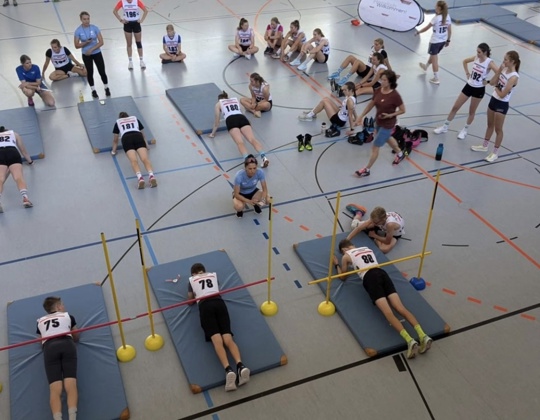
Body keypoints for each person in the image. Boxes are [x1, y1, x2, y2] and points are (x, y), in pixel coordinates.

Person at [334, 240, 432, 359]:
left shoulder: (345, 256)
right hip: (382, 273)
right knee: (400, 308)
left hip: (370, 278)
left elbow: (343, 277)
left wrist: (336, 264)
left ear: (344, 250)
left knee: (388, 313)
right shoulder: (366, 248)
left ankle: (410, 341)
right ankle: (423, 335)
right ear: (352, 245)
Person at [187, 263, 250, 391]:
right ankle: (240, 365)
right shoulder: (213, 275)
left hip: (205, 306)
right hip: (219, 303)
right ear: (204, 270)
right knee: (228, 338)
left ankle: (228, 369)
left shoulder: (191, 280)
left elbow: (190, 301)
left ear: (193, 274)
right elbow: (217, 290)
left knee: (217, 341)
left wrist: (193, 295)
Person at [434, 43, 498, 140]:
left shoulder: (489, 62)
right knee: (455, 107)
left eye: (479, 52)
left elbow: (499, 73)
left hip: (479, 89)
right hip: (469, 86)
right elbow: (464, 61)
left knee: (471, 111)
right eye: (477, 51)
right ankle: (445, 126)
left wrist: (489, 81)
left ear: (485, 52)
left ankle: (465, 130)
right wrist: (467, 73)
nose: (477, 53)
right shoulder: (476, 58)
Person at [350, 70, 406, 177]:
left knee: (375, 147)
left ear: (390, 82)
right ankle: (400, 153)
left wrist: (390, 115)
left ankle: (367, 169)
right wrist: (361, 117)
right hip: (379, 121)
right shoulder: (378, 90)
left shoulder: (395, 95)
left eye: (384, 80)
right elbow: (371, 104)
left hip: (388, 124)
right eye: (381, 79)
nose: (382, 81)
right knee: (388, 138)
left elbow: (403, 110)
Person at [471, 51, 520, 163]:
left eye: (506, 60)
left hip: (502, 104)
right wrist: (498, 71)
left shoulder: (514, 77)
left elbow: (502, 94)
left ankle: (495, 153)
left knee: (498, 129)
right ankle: (484, 146)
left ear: (513, 61)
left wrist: (496, 87)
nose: (504, 61)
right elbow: (492, 82)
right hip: (493, 99)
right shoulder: (503, 70)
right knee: (489, 125)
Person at [36, 296, 79, 420]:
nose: (64, 307)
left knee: (55, 388)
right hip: (66, 344)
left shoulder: (40, 321)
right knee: (70, 383)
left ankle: (57, 418)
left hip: (50, 348)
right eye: (63, 304)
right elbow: (76, 336)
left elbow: (40, 341)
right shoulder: (67, 316)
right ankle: (72, 417)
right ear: (59, 307)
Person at [209, 91, 269, 167]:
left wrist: (212, 134)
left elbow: (217, 122)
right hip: (242, 118)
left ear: (219, 99)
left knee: (240, 143)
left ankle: (248, 162)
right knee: (252, 139)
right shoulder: (235, 100)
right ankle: (264, 157)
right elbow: (241, 112)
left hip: (231, 120)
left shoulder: (218, 104)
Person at [112, 112, 157, 189]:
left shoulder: (118, 122)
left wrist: (113, 151)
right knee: (145, 159)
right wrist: (146, 145)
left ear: (120, 118)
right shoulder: (135, 119)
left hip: (126, 138)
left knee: (134, 161)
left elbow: (115, 140)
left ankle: (140, 178)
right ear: (128, 116)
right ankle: (151, 176)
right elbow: (143, 134)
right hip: (138, 136)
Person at [74, 11, 111, 99]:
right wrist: (85, 43)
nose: (87, 21)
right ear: (81, 20)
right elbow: (76, 45)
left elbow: (101, 42)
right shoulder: (78, 31)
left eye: (88, 19)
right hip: (86, 55)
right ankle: (93, 90)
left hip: (96, 53)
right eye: (84, 19)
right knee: (90, 72)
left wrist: (91, 49)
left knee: (102, 71)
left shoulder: (95, 28)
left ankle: (106, 87)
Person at [416, 0, 451, 85]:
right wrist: (448, 40)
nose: (435, 7)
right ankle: (426, 66)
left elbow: (426, 28)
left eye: (436, 6)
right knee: (433, 55)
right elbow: (450, 30)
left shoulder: (436, 18)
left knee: (435, 59)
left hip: (435, 41)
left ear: (439, 8)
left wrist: (418, 32)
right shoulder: (448, 17)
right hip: (442, 41)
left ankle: (436, 78)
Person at [0, 126, 33, 212]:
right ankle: (25, 198)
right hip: (12, 152)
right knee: (18, 177)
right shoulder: (14, 134)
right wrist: (30, 161)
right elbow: (23, 151)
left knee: (0, 178)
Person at [113, 0, 149, 69]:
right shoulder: (122, 2)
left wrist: (141, 20)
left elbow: (145, 11)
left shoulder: (137, 1)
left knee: (138, 43)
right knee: (129, 43)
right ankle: (130, 61)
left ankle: (141, 60)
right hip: (127, 24)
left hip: (136, 23)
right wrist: (121, 20)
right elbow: (115, 11)